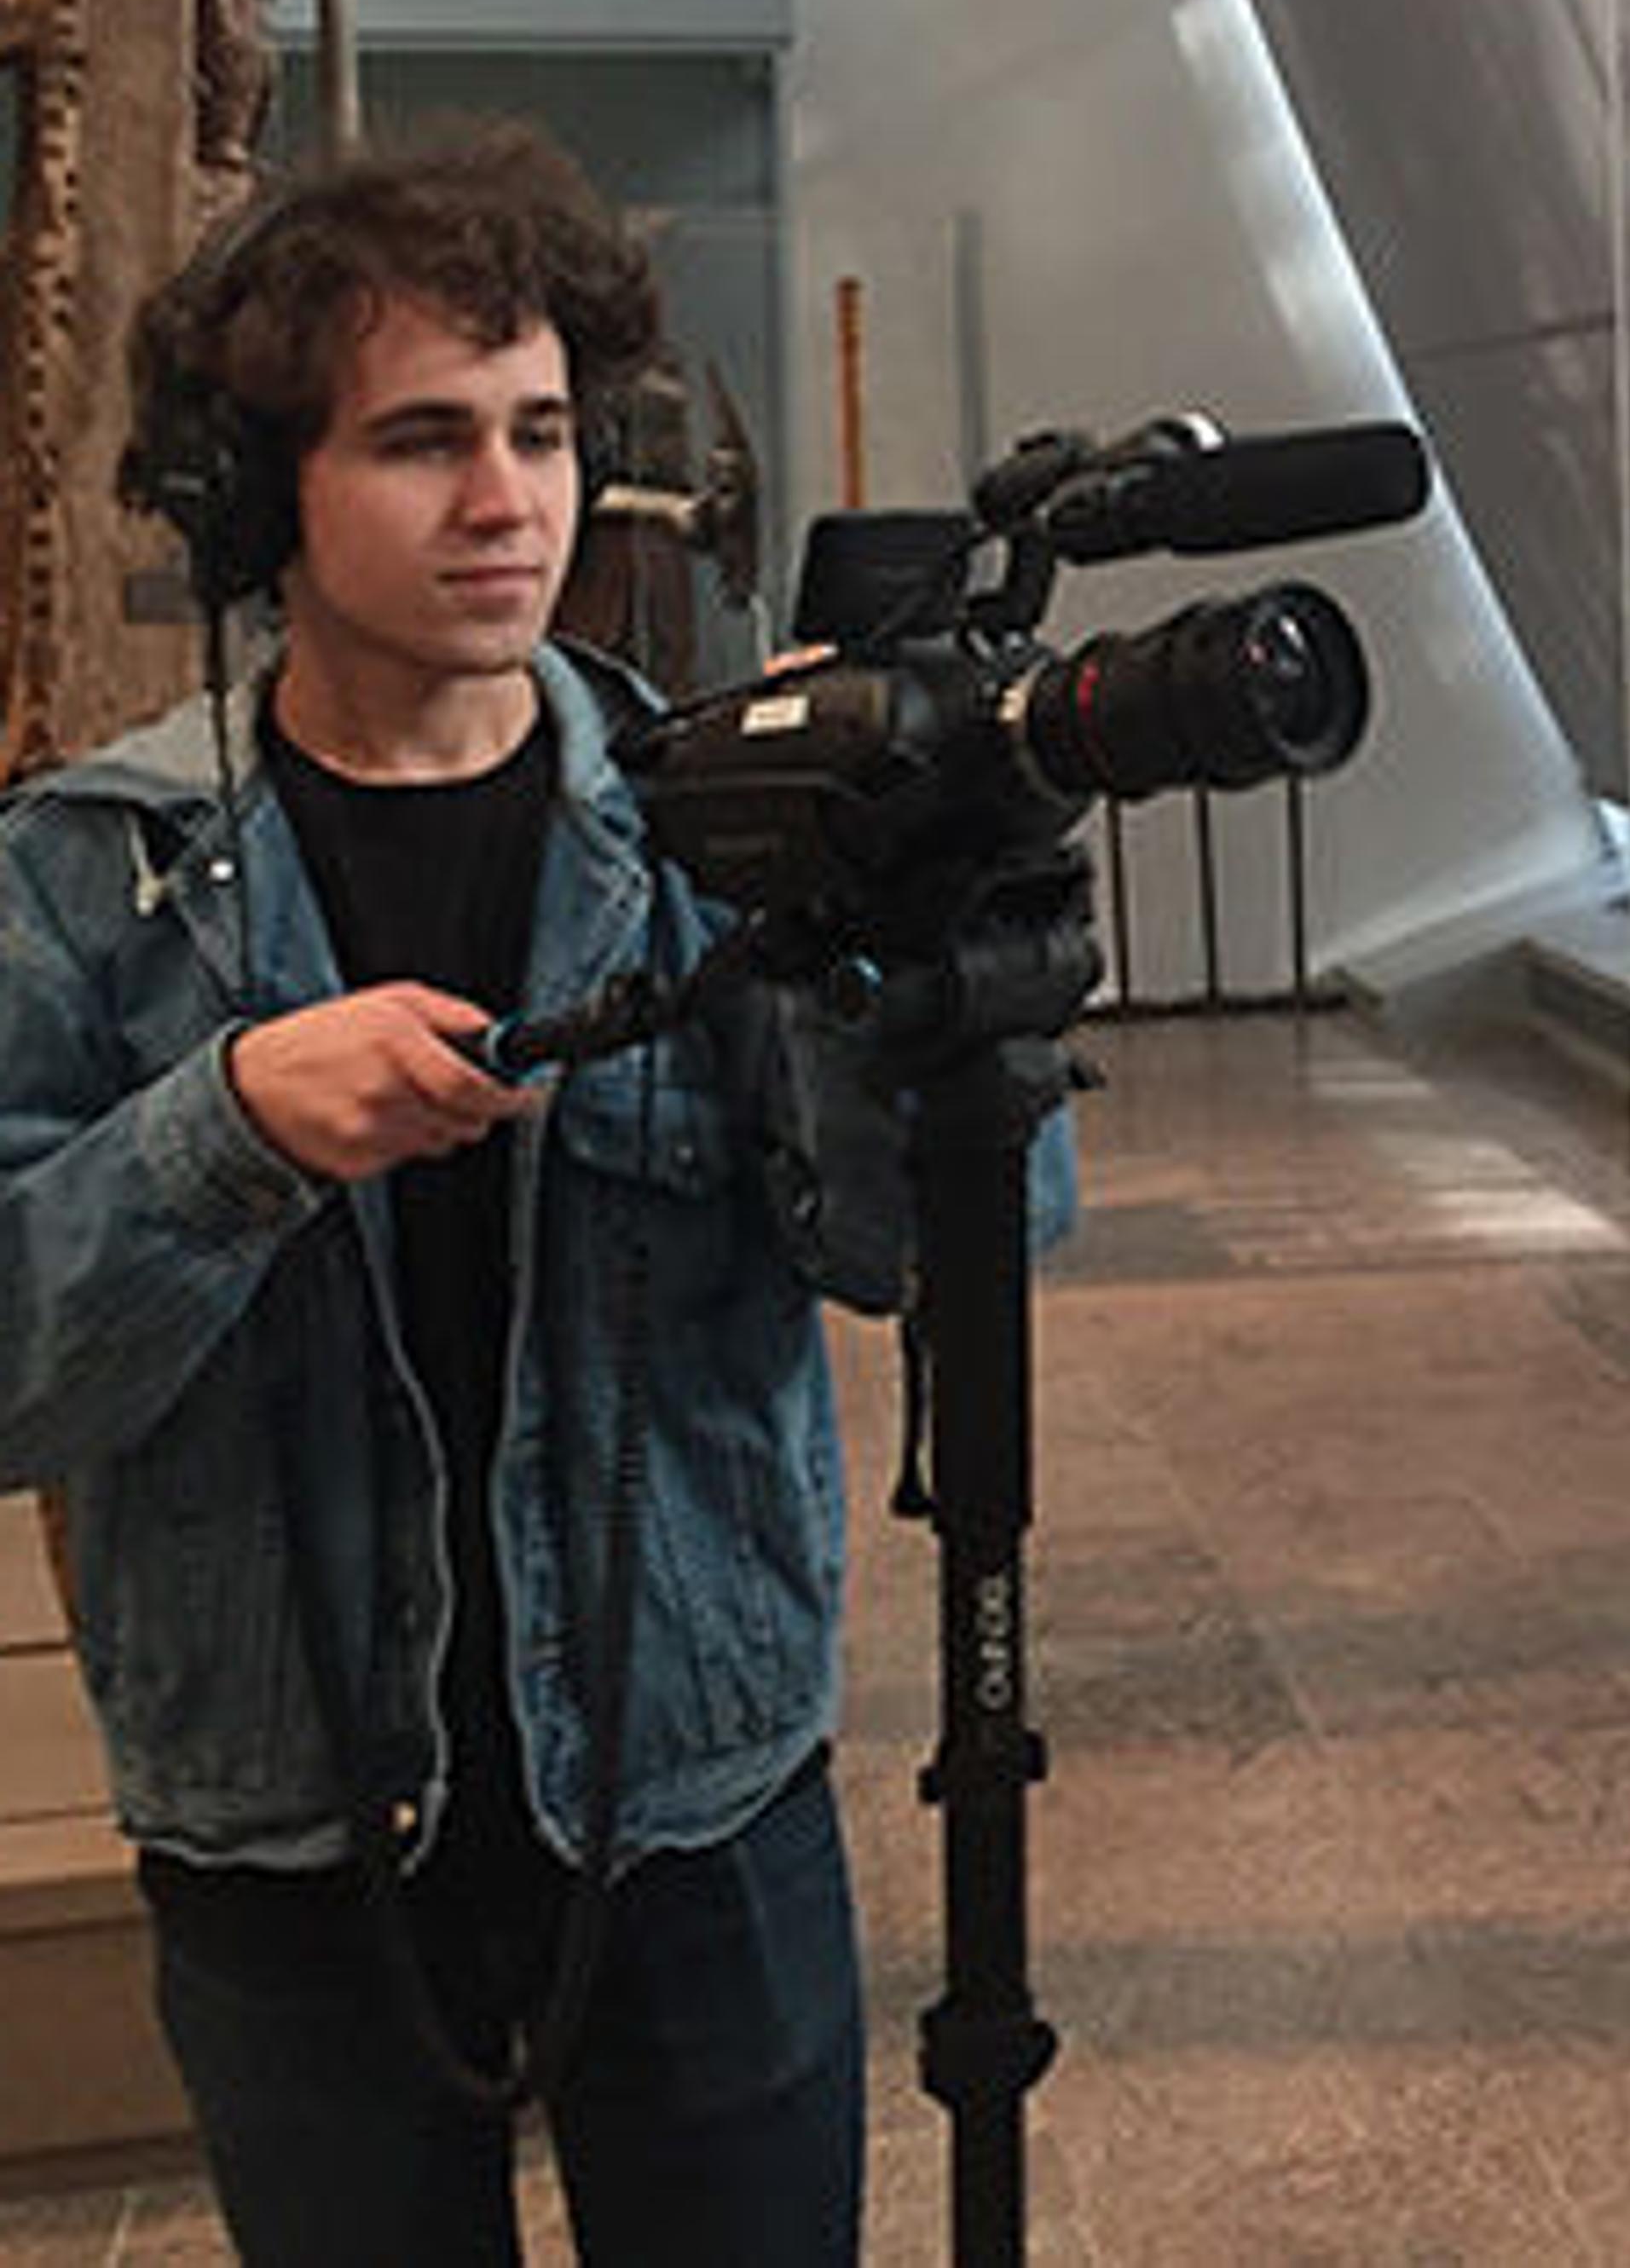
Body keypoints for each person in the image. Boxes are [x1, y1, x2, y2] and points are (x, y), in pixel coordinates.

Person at [0, 123, 1073, 2259]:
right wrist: (223, 1133)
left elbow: (936, 1251)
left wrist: (936, 985)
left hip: (697, 1803)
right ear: (256, 495)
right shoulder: (78, 884)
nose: (507, 503)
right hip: (294, 1844)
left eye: (543, 432)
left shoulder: (719, 826)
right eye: (422, 441)